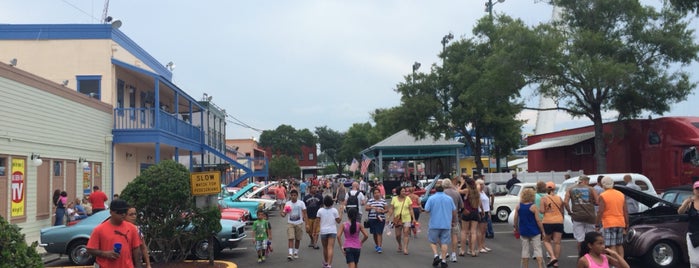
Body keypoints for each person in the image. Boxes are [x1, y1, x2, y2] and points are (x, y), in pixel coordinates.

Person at [86, 199, 143, 268]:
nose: (123, 214)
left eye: (125, 211)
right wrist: (105, 254)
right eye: (119, 212)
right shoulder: (99, 229)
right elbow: (90, 249)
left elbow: (136, 250)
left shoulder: (132, 228)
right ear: (111, 212)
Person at [424, 183, 457, 268]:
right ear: (443, 189)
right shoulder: (449, 199)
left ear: (435, 189)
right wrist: (453, 220)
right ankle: (443, 260)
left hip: (434, 223)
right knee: (444, 242)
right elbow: (454, 210)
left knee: (432, 241)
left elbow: (426, 210)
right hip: (446, 223)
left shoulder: (431, 198)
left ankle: (436, 255)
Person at [564, 175, 598, 251]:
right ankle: (591, 255)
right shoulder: (591, 189)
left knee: (580, 239)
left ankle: (582, 255)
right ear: (585, 181)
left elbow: (565, 202)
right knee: (591, 238)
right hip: (590, 216)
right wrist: (591, 202)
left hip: (577, 216)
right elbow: (597, 201)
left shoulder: (570, 189)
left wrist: (570, 212)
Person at [596, 176, 628, 259]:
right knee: (619, 244)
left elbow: (600, 211)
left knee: (611, 245)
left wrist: (596, 224)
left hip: (609, 223)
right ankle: (622, 262)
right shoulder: (621, 194)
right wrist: (627, 223)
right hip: (620, 222)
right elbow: (625, 211)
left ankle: (615, 263)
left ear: (603, 185)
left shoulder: (603, 195)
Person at [514, 188, 545, 268]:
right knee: (537, 249)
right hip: (534, 230)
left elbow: (515, 218)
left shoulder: (518, 206)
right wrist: (543, 231)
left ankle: (526, 266)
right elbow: (538, 220)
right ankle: (540, 266)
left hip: (524, 230)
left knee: (525, 250)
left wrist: (516, 227)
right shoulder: (533, 207)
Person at [540, 181, 564, 268]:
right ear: (554, 189)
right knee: (557, 242)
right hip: (559, 221)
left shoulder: (544, 198)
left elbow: (542, 211)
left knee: (546, 240)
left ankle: (552, 257)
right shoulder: (559, 198)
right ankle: (555, 261)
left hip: (548, 221)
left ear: (546, 189)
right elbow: (562, 210)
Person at [387, 186, 416, 255]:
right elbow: (391, 209)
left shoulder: (408, 198)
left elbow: (411, 209)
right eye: (402, 191)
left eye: (404, 191)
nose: (404, 192)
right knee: (398, 235)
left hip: (407, 218)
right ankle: (400, 244)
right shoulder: (394, 199)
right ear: (398, 192)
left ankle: (405, 248)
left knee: (406, 233)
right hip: (397, 219)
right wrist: (388, 217)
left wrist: (413, 218)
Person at [280, 189, 307, 260]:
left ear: (297, 196)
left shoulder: (301, 203)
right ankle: (290, 253)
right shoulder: (288, 204)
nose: (293, 197)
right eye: (292, 195)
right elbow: (284, 214)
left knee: (298, 239)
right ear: (290, 196)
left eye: (295, 195)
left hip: (299, 223)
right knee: (290, 238)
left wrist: (307, 224)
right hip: (290, 223)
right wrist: (282, 212)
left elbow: (305, 213)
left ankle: (296, 252)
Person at [677, 180, 699, 268]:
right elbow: (680, 212)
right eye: (697, 189)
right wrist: (686, 202)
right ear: (693, 190)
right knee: (694, 261)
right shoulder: (690, 202)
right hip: (692, 235)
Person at [317, 195, 341, 268]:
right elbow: (338, 221)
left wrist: (315, 231)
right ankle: (329, 264)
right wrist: (341, 212)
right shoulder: (334, 210)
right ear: (331, 203)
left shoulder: (320, 210)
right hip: (332, 231)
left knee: (325, 248)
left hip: (323, 231)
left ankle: (326, 262)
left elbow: (317, 221)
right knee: (330, 247)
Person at [459, 177, 481, 257]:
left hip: (466, 211)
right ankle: (472, 250)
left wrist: (461, 183)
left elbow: (458, 191)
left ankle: (462, 250)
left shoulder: (467, 190)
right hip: (475, 211)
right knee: (473, 231)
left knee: (464, 231)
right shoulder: (476, 192)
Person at [442, 178, 463, 262]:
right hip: (455, 218)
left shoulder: (442, 194)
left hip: (444, 217)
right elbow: (461, 206)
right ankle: (454, 254)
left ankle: (444, 253)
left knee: (443, 236)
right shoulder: (456, 193)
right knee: (454, 236)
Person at [365, 187, 387, 254]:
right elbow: (366, 208)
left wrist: (382, 211)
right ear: (373, 194)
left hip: (381, 219)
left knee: (379, 232)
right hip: (372, 218)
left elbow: (387, 209)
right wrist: (372, 207)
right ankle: (377, 245)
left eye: (378, 193)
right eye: (375, 193)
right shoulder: (370, 200)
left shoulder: (383, 201)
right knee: (374, 233)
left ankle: (379, 247)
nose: (377, 194)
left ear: (380, 193)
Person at [303, 185, 323, 249]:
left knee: (316, 231)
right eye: (313, 188)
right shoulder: (306, 197)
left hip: (317, 216)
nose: (314, 189)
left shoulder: (320, 196)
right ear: (310, 189)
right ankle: (312, 239)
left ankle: (315, 243)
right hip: (309, 216)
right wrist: (304, 216)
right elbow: (304, 208)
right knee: (309, 231)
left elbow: (322, 205)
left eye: (315, 188)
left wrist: (321, 213)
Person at [475, 179, 491, 254]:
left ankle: (483, 245)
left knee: (484, 230)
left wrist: (489, 212)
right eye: (480, 184)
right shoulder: (477, 193)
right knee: (480, 230)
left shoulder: (483, 192)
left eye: (482, 184)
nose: (482, 186)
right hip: (481, 212)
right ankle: (479, 246)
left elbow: (487, 202)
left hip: (486, 211)